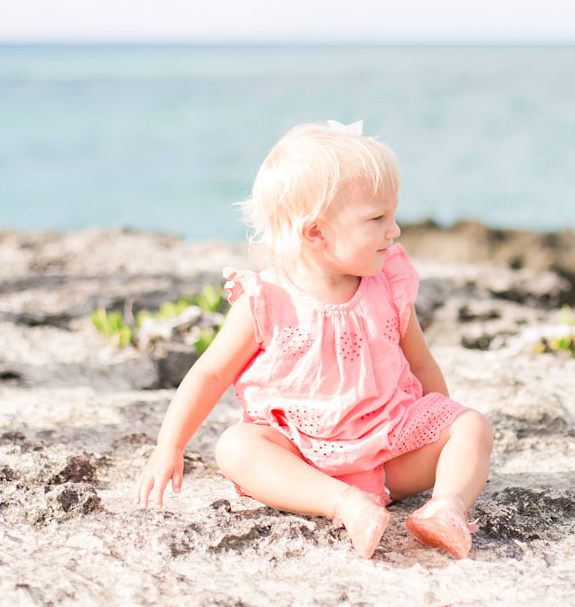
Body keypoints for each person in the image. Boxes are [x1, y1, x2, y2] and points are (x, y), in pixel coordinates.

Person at [134, 120, 493, 559]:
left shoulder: (389, 287)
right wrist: (169, 446)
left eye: (393, 215)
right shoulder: (267, 300)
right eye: (378, 218)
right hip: (304, 458)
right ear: (315, 232)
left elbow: (420, 365)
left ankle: (445, 508)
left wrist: (438, 429)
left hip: (388, 455)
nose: (394, 230)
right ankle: (345, 504)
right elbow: (210, 372)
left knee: (471, 424)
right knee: (236, 446)